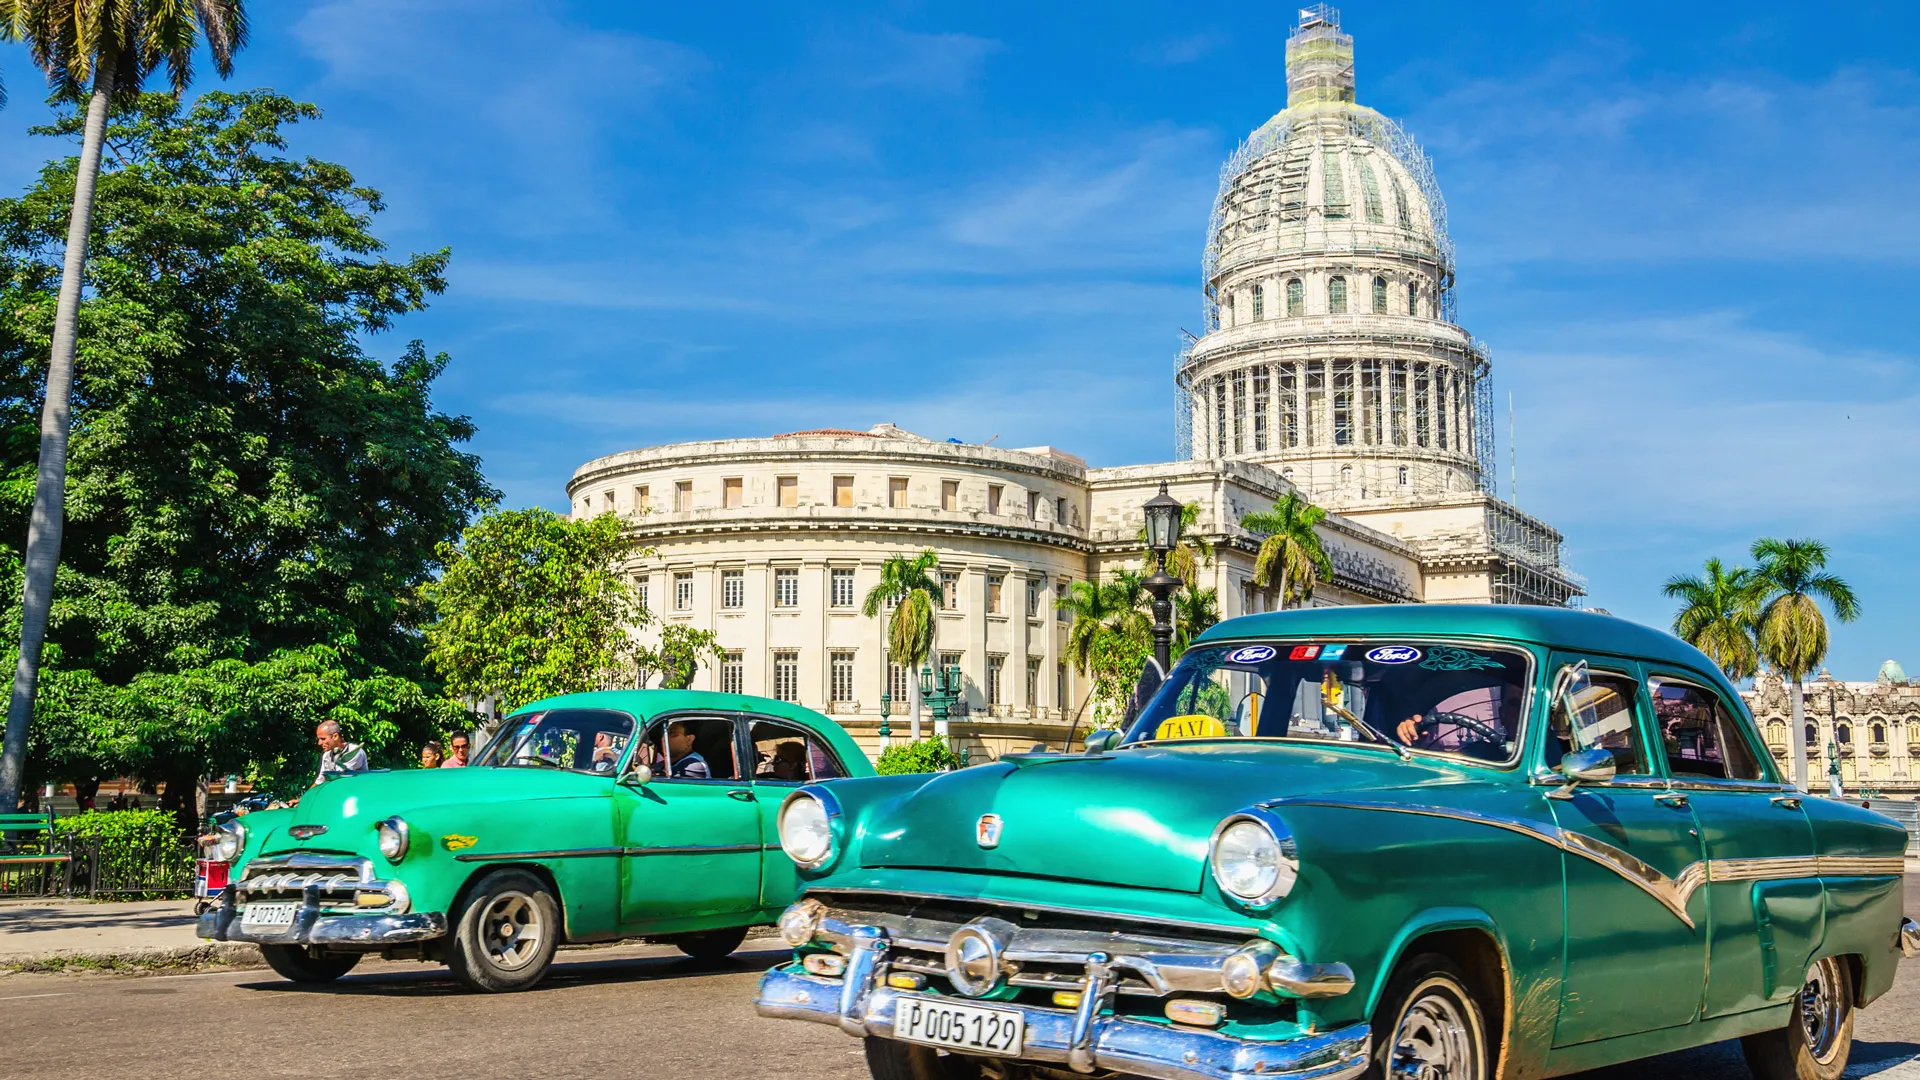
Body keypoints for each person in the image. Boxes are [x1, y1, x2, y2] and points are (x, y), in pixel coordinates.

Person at [313, 721, 369, 786]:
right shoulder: (326, 755)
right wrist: (307, 795)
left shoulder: (354, 751)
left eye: (323, 739)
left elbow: (342, 778)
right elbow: (321, 780)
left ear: (335, 736)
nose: (319, 743)